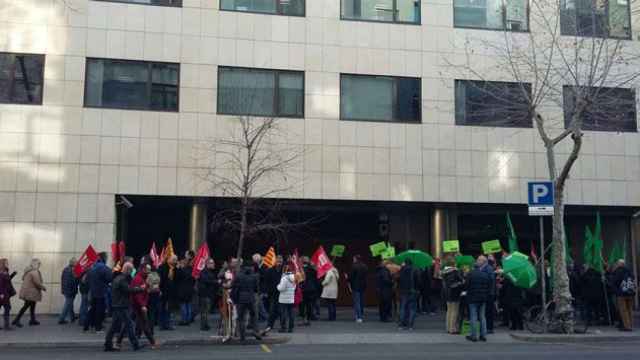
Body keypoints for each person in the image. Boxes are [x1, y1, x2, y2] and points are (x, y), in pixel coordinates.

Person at [104, 263, 144, 352]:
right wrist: (141, 288)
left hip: (117, 304)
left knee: (114, 326)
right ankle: (135, 345)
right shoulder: (122, 280)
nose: (132, 272)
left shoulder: (118, 278)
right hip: (121, 305)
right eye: (131, 270)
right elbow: (128, 290)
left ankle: (107, 344)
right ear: (127, 270)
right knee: (129, 325)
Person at [126, 263, 158, 349]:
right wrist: (143, 305)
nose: (149, 271)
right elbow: (137, 295)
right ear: (143, 269)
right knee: (144, 324)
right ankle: (153, 342)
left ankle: (119, 341)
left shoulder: (143, 278)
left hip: (137, 305)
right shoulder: (138, 279)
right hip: (137, 305)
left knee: (129, 323)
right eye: (148, 269)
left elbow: (144, 292)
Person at [232, 264, 262, 341]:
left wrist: (234, 298)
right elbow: (256, 288)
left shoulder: (238, 276)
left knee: (241, 318)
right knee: (254, 316)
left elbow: (234, 287)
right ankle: (256, 332)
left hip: (241, 299)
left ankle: (242, 336)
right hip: (251, 298)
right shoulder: (254, 276)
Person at [13, 259, 46, 327]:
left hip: (28, 291)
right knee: (26, 306)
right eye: (39, 264)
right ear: (35, 264)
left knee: (32, 306)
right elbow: (37, 282)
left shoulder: (28, 271)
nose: (40, 265)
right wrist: (43, 287)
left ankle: (32, 320)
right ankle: (16, 320)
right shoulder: (34, 272)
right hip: (31, 292)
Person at [84, 252, 112, 332]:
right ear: (104, 258)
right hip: (101, 292)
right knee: (100, 311)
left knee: (92, 309)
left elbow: (87, 280)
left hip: (93, 292)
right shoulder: (104, 268)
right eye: (106, 257)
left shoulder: (92, 267)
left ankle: (87, 326)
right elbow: (110, 278)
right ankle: (98, 328)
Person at [465, 259, 492, 342]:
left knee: (473, 317)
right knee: (482, 317)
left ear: (473, 267)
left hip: (472, 298)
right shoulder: (485, 274)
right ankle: (483, 335)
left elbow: (466, 286)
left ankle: (474, 336)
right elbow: (489, 286)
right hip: (483, 298)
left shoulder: (470, 274)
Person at [442, 258, 464, 334]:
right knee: (455, 311)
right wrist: (461, 283)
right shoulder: (455, 271)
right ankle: (452, 328)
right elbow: (461, 281)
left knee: (449, 311)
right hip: (455, 293)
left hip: (447, 293)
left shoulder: (444, 272)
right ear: (453, 264)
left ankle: (448, 328)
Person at [612, 259, 635, 331]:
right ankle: (631, 325)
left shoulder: (618, 271)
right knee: (629, 310)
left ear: (619, 264)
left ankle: (627, 326)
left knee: (623, 310)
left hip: (621, 294)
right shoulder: (629, 271)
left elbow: (615, 281)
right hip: (630, 293)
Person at [263, 256, 283, 334]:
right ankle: (270, 325)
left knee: (282, 311)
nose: (279, 263)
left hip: (282, 293)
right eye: (278, 261)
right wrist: (266, 291)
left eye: (280, 262)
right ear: (275, 262)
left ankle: (283, 325)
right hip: (273, 293)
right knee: (272, 310)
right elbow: (266, 282)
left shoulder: (285, 270)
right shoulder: (270, 270)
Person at [158, 255, 178, 330]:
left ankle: (168, 324)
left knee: (169, 309)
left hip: (171, 292)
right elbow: (160, 279)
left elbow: (179, 278)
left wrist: (178, 269)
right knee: (162, 309)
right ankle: (162, 325)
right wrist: (159, 290)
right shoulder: (162, 267)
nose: (175, 261)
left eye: (176, 260)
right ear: (168, 260)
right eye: (174, 260)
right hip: (163, 291)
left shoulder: (175, 268)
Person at [398, 258, 420, 330]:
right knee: (412, 309)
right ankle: (410, 325)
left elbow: (398, 280)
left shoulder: (401, 270)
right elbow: (418, 281)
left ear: (405, 262)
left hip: (403, 291)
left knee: (403, 308)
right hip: (413, 291)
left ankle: (401, 325)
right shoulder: (415, 270)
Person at [197, 258, 218, 331]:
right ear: (207, 264)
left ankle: (205, 324)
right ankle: (203, 325)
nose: (213, 264)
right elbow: (206, 280)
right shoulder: (204, 272)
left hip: (208, 294)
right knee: (204, 310)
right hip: (205, 294)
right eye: (212, 263)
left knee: (206, 310)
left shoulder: (209, 272)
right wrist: (216, 282)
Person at [478, 255, 496, 333]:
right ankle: (485, 327)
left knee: (488, 311)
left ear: (483, 261)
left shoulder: (488, 268)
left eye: (478, 260)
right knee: (485, 311)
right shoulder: (482, 268)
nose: (477, 261)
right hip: (485, 292)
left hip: (489, 293)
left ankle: (489, 328)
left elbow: (491, 280)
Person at [59, 257, 79, 325]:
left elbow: (63, 280)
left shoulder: (66, 269)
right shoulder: (72, 270)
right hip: (70, 290)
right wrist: (77, 278)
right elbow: (73, 281)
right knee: (68, 304)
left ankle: (72, 317)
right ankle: (61, 319)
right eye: (76, 262)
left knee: (70, 304)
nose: (77, 263)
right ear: (73, 263)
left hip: (66, 289)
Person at [277, 264, 296, 333]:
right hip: (291, 299)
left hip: (283, 299)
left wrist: (277, 286)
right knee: (291, 314)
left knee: (283, 314)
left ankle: (283, 327)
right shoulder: (294, 277)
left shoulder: (284, 278)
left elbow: (281, 288)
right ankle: (291, 328)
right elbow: (294, 288)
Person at [349, 255, 368, 323]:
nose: (353, 260)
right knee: (361, 301)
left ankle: (359, 317)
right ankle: (361, 315)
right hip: (363, 286)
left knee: (357, 302)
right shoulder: (365, 266)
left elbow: (351, 277)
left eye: (353, 259)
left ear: (356, 259)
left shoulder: (354, 266)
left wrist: (347, 279)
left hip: (356, 286)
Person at [301, 256, 319, 325]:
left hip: (306, 289)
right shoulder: (311, 268)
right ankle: (307, 319)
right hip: (309, 288)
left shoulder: (303, 268)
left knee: (305, 305)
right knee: (307, 305)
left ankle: (305, 319)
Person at [177, 258, 195, 326]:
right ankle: (188, 320)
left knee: (183, 305)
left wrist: (179, 268)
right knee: (189, 305)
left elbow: (177, 277)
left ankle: (184, 320)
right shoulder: (192, 270)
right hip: (190, 290)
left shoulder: (182, 270)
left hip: (182, 290)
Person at [0, 259, 17, 330]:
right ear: (3, 264)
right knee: (7, 308)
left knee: (7, 308)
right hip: (3, 294)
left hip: (6, 293)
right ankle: (6, 326)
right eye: (6, 263)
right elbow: (0, 284)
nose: (8, 264)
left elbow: (7, 280)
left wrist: (13, 274)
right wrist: (1, 293)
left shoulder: (5, 272)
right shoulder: (1, 273)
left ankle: (6, 326)